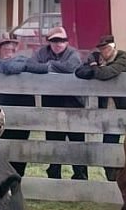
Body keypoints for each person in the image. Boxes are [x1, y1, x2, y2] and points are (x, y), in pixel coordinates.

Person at [24, 26, 89, 180]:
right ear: (49, 42)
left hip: (73, 104)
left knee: (76, 141)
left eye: (61, 40)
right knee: (53, 140)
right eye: (54, 41)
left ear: (67, 42)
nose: (58, 44)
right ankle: (54, 173)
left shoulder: (73, 53)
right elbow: (30, 65)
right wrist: (50, 67)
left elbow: (71, 67)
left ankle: (80, 175)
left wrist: (48, 66)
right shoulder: (41, 52)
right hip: (51, 103)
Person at [75, 34, 126, 181]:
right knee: (108, 144)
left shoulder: (122, 58)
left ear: (113, 47)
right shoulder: (98, 58)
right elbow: (79, 72)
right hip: (109, 110)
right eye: (101, 48)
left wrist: (94, 67)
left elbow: (106, 73)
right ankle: (113, 179)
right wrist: (93, 66)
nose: (104, 51)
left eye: (106, 48)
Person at [0, 34, 47, 176]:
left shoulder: (24, 59)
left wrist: (19, 65)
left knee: (20, 144)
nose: (9, 49)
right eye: (5, 46)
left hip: (22, 111)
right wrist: (6, 64)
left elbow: (42, 69)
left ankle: (17, 176)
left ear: (17, 48)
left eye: (12, 46)